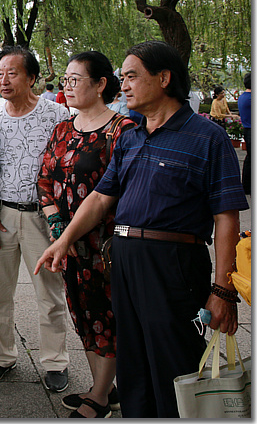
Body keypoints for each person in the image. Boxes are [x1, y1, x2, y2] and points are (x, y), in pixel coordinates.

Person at [35, 40, 248, 418]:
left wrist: (222, 290)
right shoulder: (130, 136)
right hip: (124, 261)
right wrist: (63, 240)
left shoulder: (206, 137)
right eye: (123, 77)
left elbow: (226, 216)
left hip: (173, 262)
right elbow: (101, 197)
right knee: (132, 362)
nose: (124, 84)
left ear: (164, 79)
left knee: (173, 360)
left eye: (132, 76)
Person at [37, 51, 135, 418]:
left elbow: (118, 193)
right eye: (65, 79)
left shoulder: (121, 131)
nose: (67, 86)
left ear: (101, 84)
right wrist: (59, 229)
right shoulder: (63, 128)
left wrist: (75, 232)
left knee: (105, 317)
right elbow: (44, 181)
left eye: (75, 79)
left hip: (103, 247)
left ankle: (98, 395)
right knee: (81, 313)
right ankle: (103, 388)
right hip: (68, 246)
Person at [0, 45, 71, 392]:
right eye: (0, 73)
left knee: (49, 293)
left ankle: (55, 361)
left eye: (12, 73)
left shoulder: (57, 115)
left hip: (41, 219)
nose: (3, 80)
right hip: (2, 216)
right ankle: (3, 357)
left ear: (32, 77)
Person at [239, 72, 251, 195]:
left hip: (247, 129)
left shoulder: (243, 96)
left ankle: (247, 185)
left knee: (250, 158)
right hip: (251, 129)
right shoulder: (250, 98)